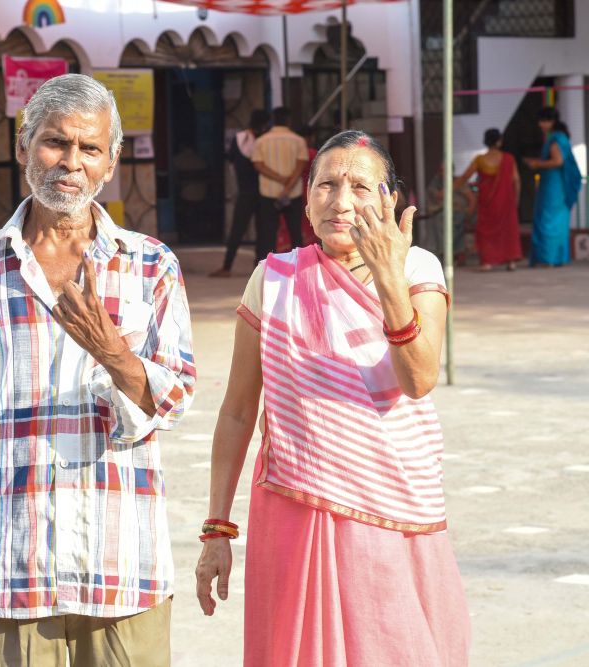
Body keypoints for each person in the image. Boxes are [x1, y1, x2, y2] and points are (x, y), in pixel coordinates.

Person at [0, 73, 196, 666]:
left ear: (111, 162)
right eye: (54, 143)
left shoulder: (151, 266)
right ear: (22, 148)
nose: (71, 163)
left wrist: (112, 350)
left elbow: (174, 400)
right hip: (10, 569)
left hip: (121, 564)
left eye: (90, 149)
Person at [195, 130, 470, 667]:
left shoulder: (418, 270)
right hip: (294, 509)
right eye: (327, 185)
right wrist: (217, 529)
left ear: (389, 200)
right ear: (307, 198)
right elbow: (236, 411)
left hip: (392, 507)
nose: (341, 201)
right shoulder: (273, 278)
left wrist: (389, 277)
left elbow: (418, 378)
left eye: (360, 186)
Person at [210, 110, 271, 277]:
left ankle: (227, 267)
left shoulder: (240, 140)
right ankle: (259, 268)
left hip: (245, 191)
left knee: (239, 230)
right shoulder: (265, 141)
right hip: (262, 192)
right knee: (262, 231)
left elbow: (231, 163)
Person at [454, 128, 521, 271]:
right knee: (507, 230)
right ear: (499, 141)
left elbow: (465, 177)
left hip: (486, 201)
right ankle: (511, 262)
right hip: (506, 201)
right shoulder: (509, 159)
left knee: (485, 230)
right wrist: (516, 199)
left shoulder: (480, 160)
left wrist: (450, 188)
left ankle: (487, 262)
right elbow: (516, 180)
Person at [523, 106, 582, 267]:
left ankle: (548, 258)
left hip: (553, 185)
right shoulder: (561, 137)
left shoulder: (555, 138)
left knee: (548, 221)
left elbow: (558, 161)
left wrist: (536, 163)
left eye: (543, 121)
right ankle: (557, 257)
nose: (540, 125)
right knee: (559, 221)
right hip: (558, 184)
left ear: (551, 121)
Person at [251, 107, 309, 262]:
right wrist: (288, 184)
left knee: (268, 233)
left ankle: (267, 266)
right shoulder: (298, 140)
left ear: (273, 120)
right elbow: (301, 164)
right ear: (288, 120)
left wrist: (279, 178)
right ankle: (300, 264)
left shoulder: (261, 141)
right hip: (293, 193)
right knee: (295, 232)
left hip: (268, 193)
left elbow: (258, 165)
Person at [428, 162, 476, 266]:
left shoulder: (458, 182)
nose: (442, 173)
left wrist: (468, 215)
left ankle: (449, 252)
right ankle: (441, 252)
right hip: (442, 212)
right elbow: (435, 195)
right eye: (441, 171)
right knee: (437, 221)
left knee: (447, 222)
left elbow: (472, 200)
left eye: (445, 170)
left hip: (459, 212)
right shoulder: (437, 182)